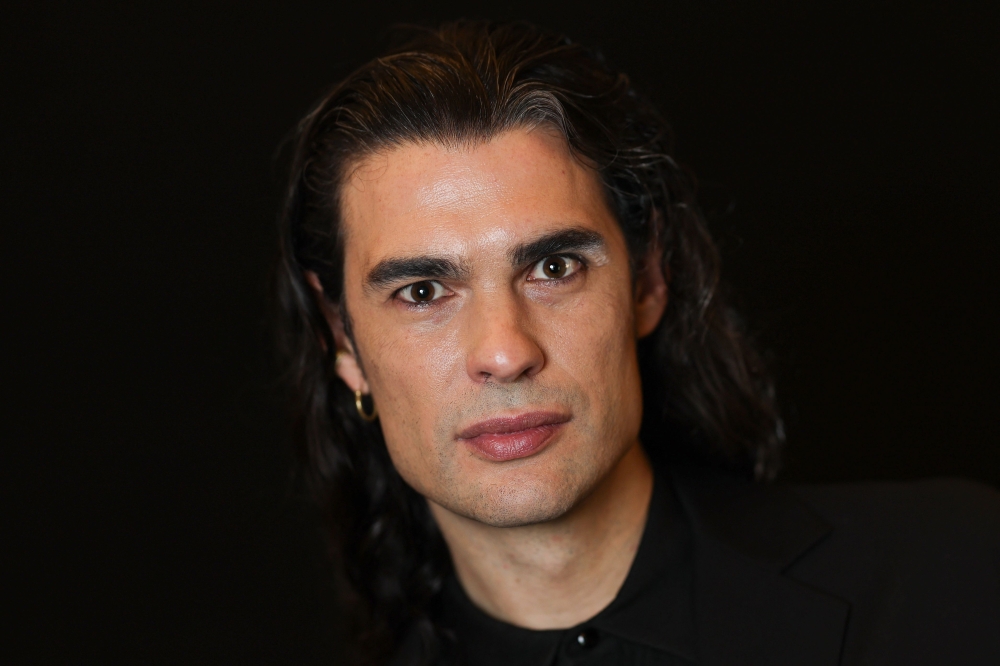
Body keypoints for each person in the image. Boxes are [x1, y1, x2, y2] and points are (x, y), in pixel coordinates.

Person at [274, 20, 1000, 666]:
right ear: (342, 337)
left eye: (553, 268)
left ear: (649, 279)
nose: (503, 350)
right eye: (423, 292)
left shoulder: (957, 571)